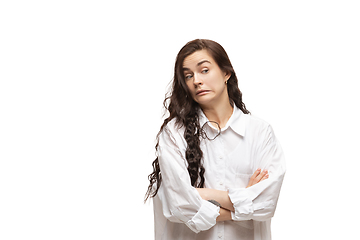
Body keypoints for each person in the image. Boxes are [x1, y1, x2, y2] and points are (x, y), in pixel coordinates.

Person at [145, 39, 286, 240]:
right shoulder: (174, 133)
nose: (196, 81)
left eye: (204, 70)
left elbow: (267, 204)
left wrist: (200, 194)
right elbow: (178, 206)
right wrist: (245, 200)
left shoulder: (260, 132)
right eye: (188, 75)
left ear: (226, 73)